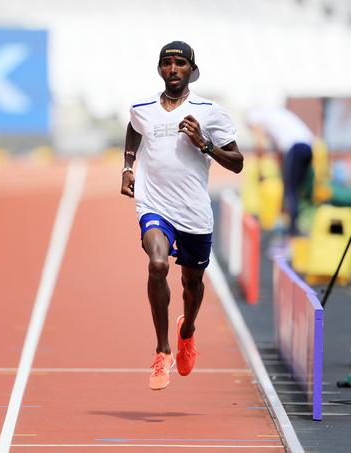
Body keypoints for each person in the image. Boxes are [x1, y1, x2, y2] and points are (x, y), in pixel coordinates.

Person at [120, 41, 244, 391]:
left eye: (179, 64)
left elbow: (237, 163)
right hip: (154, 204)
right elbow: (133, 128)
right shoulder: (142, 108)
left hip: (193, 212)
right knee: (157, 265)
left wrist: (204, 144)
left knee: (192, 284)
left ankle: (187, 330)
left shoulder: (209, 111)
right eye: (166, 63)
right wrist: (128, 166)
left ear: (191, 69)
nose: (172, 69)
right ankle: (162, 351)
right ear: (159, 69)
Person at [246, 106, 314, 236]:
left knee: (290, 189)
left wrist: (260, 168)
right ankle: (294, 224)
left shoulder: (255, 117)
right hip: (308, 146)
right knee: (295, 189)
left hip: (295, 146)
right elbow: (280, 154)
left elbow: (259, 144)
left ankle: (292, 229)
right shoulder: (273, 115)